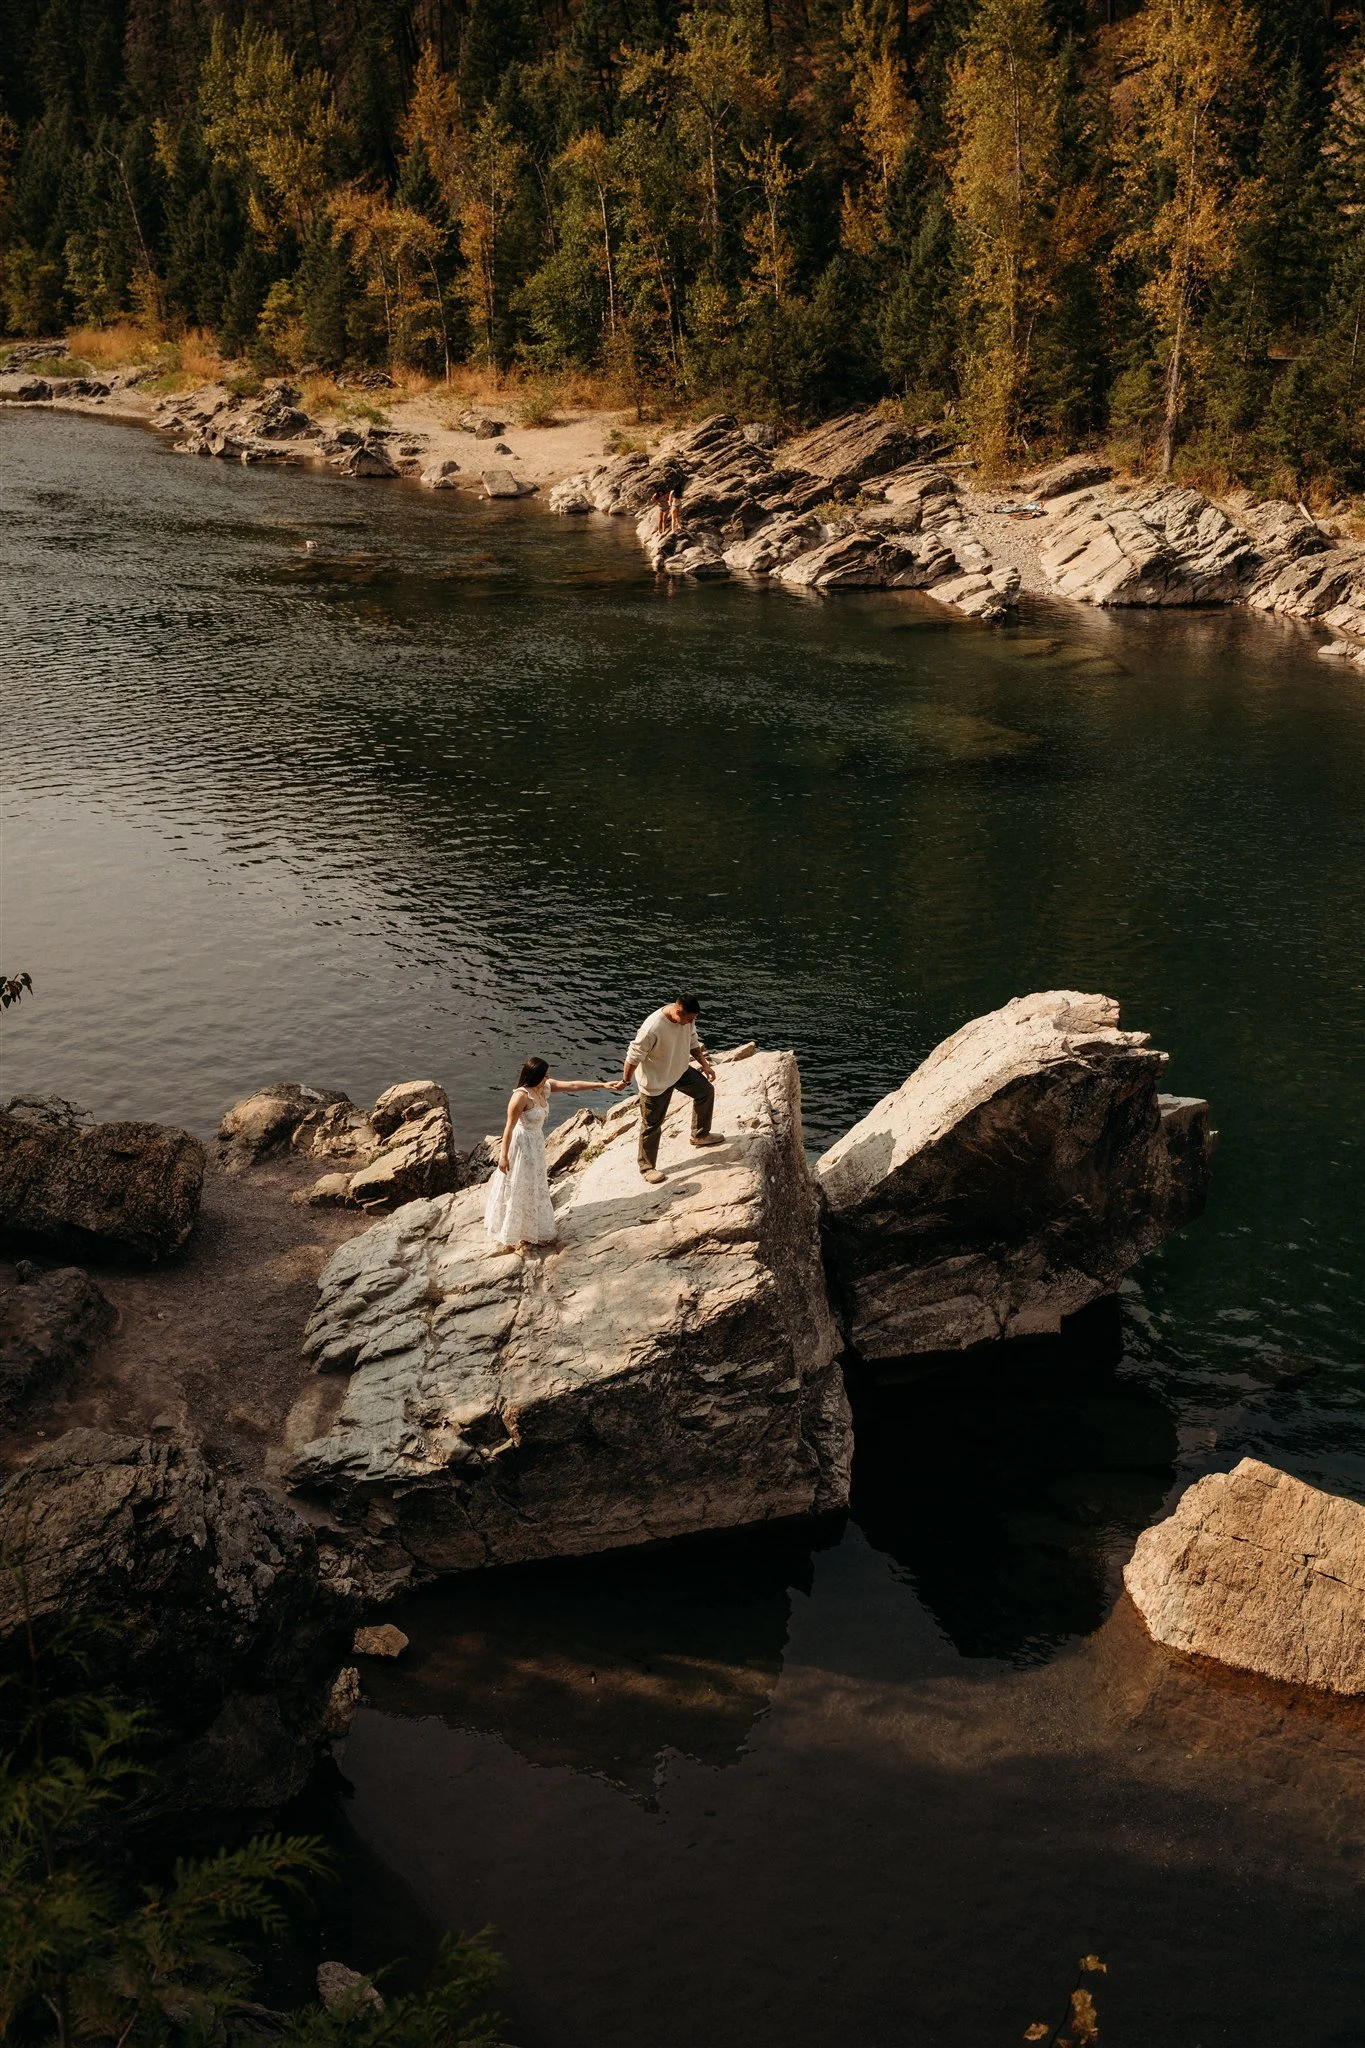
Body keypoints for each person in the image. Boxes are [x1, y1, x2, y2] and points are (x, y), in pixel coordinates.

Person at [485, 1058, 622, 1251]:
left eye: (548, 1075)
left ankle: (533, 1229)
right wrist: (504, 1155)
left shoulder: (543, 1088)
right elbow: (509, 1126)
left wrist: (603, 1084)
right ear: (535, 1076)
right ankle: (519, 1232)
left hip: (536, 1144)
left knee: (536, 1184)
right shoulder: (520, 1097)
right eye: (545, 1075)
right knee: (521, 1185)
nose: (548, 1078)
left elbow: (573, 1085)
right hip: (522, 1145)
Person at [623, 993, 724, 1184]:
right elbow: (632, 1057)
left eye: (692, 1020)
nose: (689, 1023)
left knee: (705, 1092)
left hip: (679, 1070)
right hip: (656, 1081)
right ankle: (647, 1168)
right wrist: (626, 1081)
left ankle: (700, 1135)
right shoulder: (652, 1028)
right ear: (678, 1011)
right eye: (688, 1019)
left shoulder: (686, 1019)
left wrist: (705, 1064)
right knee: (651, 1125)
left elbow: (693, 1042)